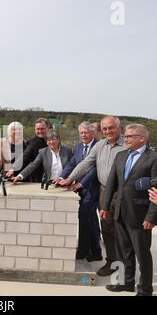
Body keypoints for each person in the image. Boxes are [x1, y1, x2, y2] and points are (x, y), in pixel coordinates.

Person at [100, 124, 157, 296]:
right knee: (123, 252)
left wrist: (152, 217)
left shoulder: (155, 159)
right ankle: (125, 283)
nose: (126, 138)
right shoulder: (121, 156)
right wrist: (105, 206)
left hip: (140, 215)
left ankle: (145, 290)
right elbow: (111, 184)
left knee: (142, 254)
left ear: (142, 138)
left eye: (130, 136)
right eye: (126, 135)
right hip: (119, 212)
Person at [58, 116, 126, 276]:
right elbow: (85, 163)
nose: (108, 131)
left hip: (123, 192)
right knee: (107, 229)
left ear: (119, 127)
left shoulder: (127, 145)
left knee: (123, 230)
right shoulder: (101, 145)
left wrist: (79, 183)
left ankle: (125, 268)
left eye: (111, 128)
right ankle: (112, 263)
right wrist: (68, 179)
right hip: (105, 191)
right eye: (105, 128)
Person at [60, 122, 101, 261]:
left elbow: (95, 169)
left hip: (92, 189)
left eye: (86, 132)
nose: (83, 135)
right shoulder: (78, 147)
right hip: (80, 190)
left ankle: (82, 251)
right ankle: (96, 251)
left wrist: (80, 184)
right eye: (81, 133)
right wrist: (61, 177)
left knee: (84, 219)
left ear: (93, 133)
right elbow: (72, 164)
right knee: (90, 221)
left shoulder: (99, 146)